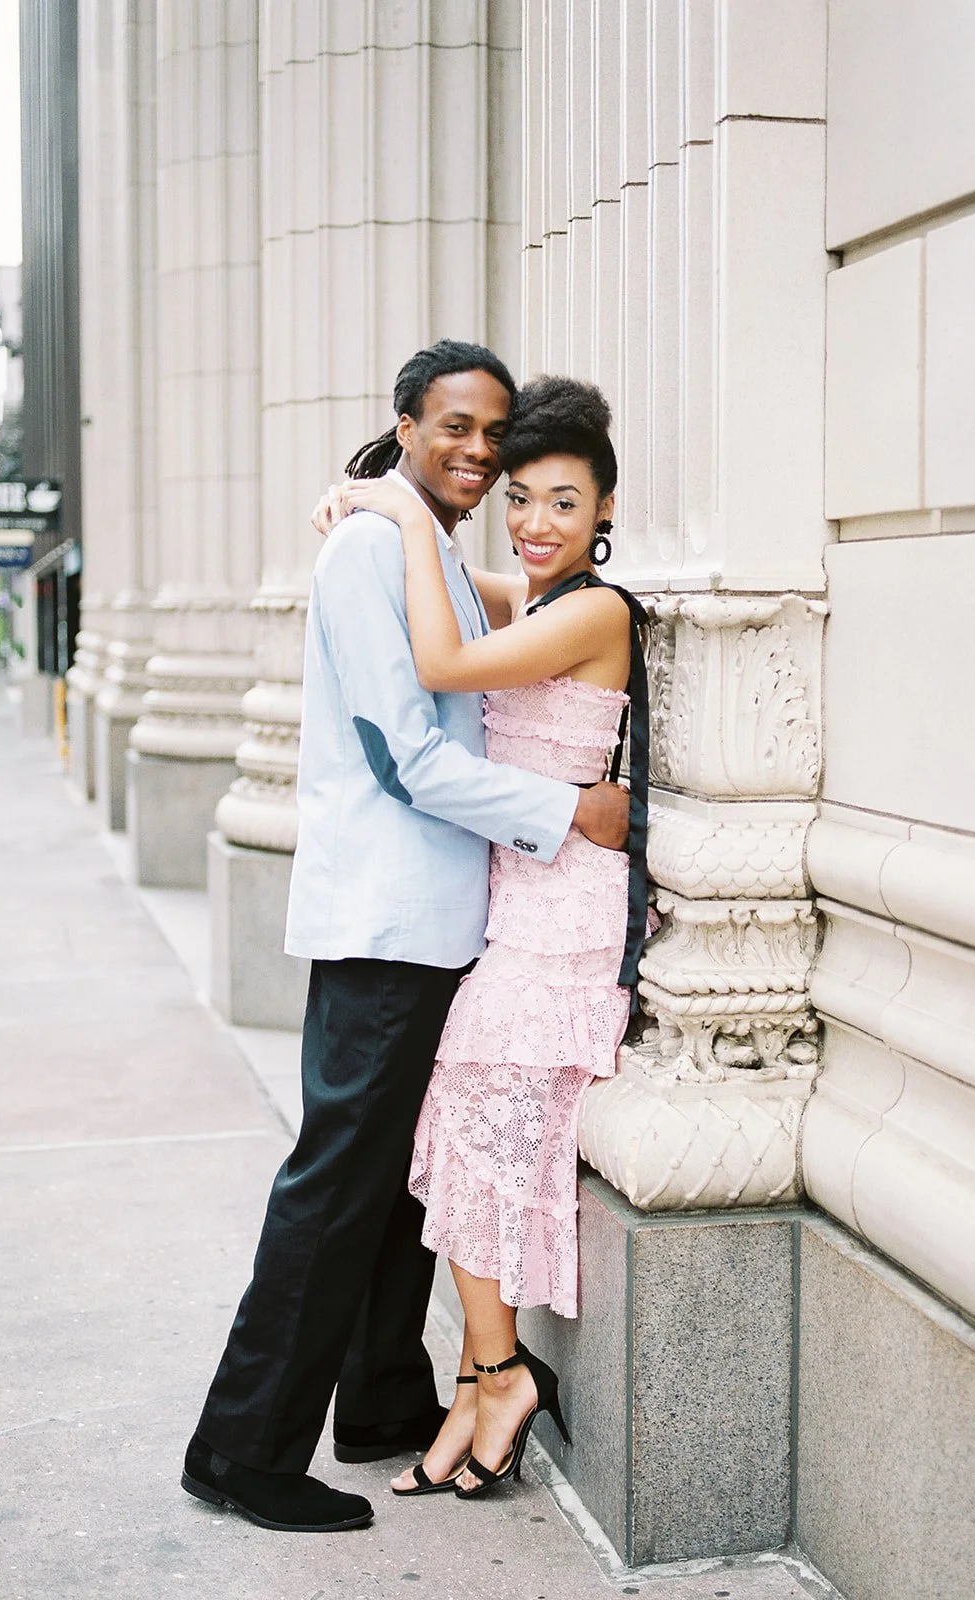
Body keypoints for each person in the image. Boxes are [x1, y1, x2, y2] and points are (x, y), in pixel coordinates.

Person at [181, 342, 629, 1534]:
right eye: (455, 429)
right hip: (388, 919)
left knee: (386, 1190)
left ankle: (382, 1398)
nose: (479, 452)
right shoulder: (375, 544)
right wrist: (564, 811)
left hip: (439, 920)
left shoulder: (420, 536)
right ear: (405, 423)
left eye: (495, 433)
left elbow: (514, 611)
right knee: (335, 1185)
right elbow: (407, 754)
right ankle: (242, 1448)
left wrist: (376, 485)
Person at [327, 375, 648, 1500]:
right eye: (520, 497)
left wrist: (403, 510)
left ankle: (500, 1373)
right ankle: (480, 1375)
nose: (535, 522)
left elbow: (443, 661)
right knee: (458, 1131)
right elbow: (461, 595)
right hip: (518, 900)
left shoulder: (594, 610)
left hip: (561, 915)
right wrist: (368, 511)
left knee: (472, 1120)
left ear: (605, 510)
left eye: (563, 501)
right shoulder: (535, 595)